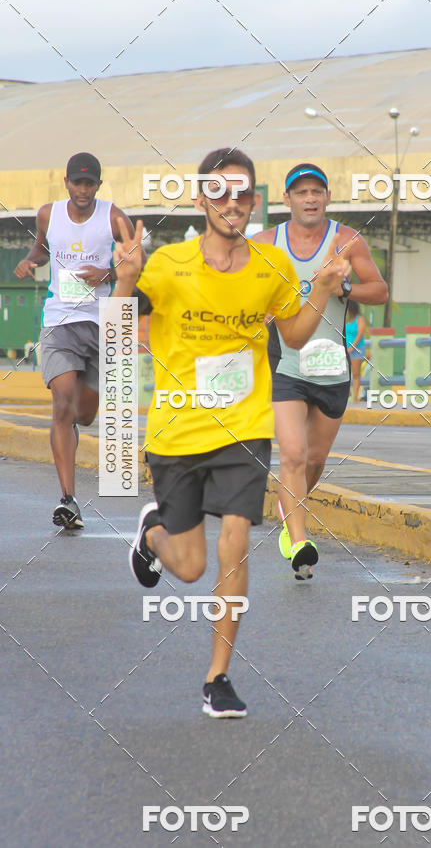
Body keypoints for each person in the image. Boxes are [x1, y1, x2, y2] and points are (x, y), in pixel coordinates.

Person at [112, 147, 349, 718]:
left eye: (242, 193)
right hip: (177, 430)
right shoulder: (167, 264)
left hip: (244, 426)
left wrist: (320, 287)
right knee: (191, 566)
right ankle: (152, 536)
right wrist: (125, 282)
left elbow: (294, 336)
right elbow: (116, 338)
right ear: (201, 201)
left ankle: (218, 677)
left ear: (254, 200)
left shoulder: (271, 265)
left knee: (236, 541)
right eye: (218, 192)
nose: (232, 203)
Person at [256, 163, 388, 578]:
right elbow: (242, 288)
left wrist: (342, 287)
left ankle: (289, 510)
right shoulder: (266, 243)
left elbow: (380, 291)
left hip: (331, 368)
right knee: (293, 454)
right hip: (286, 365)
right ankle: (299, 542)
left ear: (328, 197)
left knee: (314, 460)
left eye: (317, 191)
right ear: (287, 199)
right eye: (301, 192)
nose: (310, 198)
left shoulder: (347, 241)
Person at [14, 152, 134, 528]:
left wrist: (108, 273)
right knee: (62, 404)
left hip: (101, 324)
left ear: (99, 185)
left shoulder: (114, 217)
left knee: (84, 414)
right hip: (59, 322)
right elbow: (42, 247)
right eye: (77, 182)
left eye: (89, 183)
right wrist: (30, 261)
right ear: (66, 182)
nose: (83, 190)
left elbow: (137, 262)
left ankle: (74, 427)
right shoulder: (48, 215)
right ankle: (68, 499)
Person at [345, 300, 367, 403]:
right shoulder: (348, 319)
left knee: (355, 373)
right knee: (344, 372)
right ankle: (348, 391)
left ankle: (355, 398)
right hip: (346, 349)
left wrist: (351, 348)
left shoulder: (360, 319)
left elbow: (359, 335)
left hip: (356, 350)